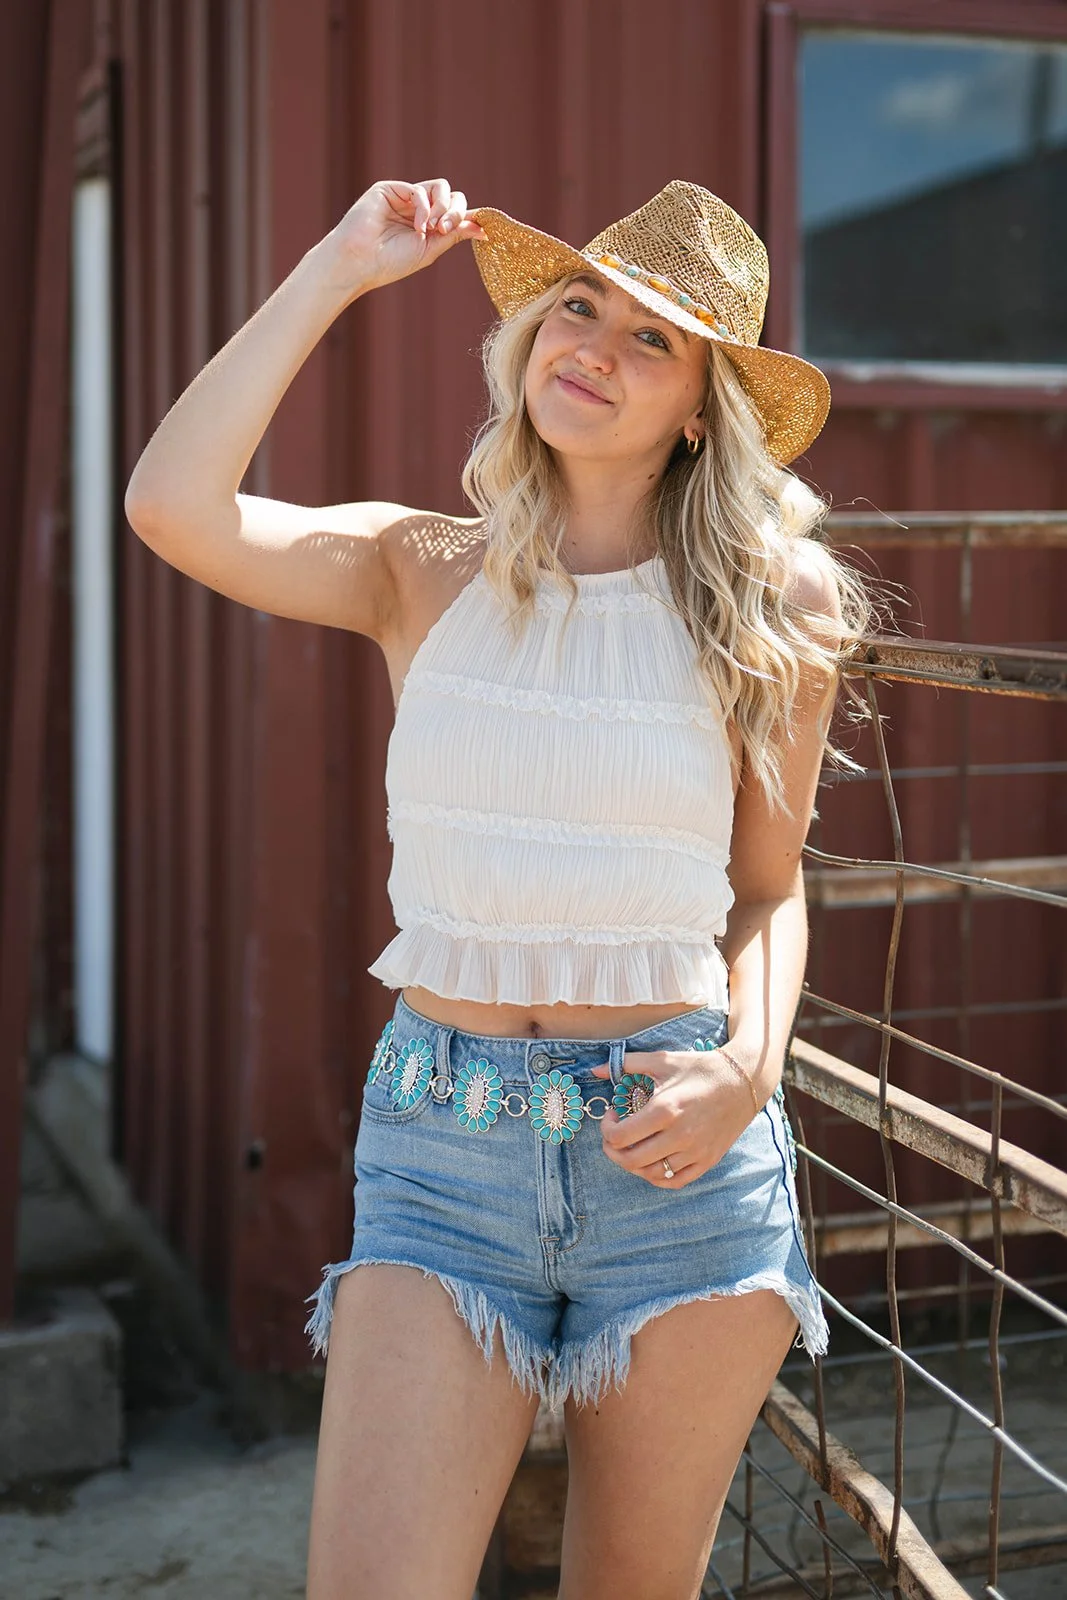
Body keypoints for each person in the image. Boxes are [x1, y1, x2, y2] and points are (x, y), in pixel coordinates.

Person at [126, 177, 877, 1600]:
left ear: (706, 407)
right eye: (575, 309)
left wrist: (746, 1067)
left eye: (650, 339)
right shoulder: (422, 565)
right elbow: (172, 504)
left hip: (677, 1161)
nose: (589, 345)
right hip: (442, 1150)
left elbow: (770, 891)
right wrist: (339, 268)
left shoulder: (777, 601)